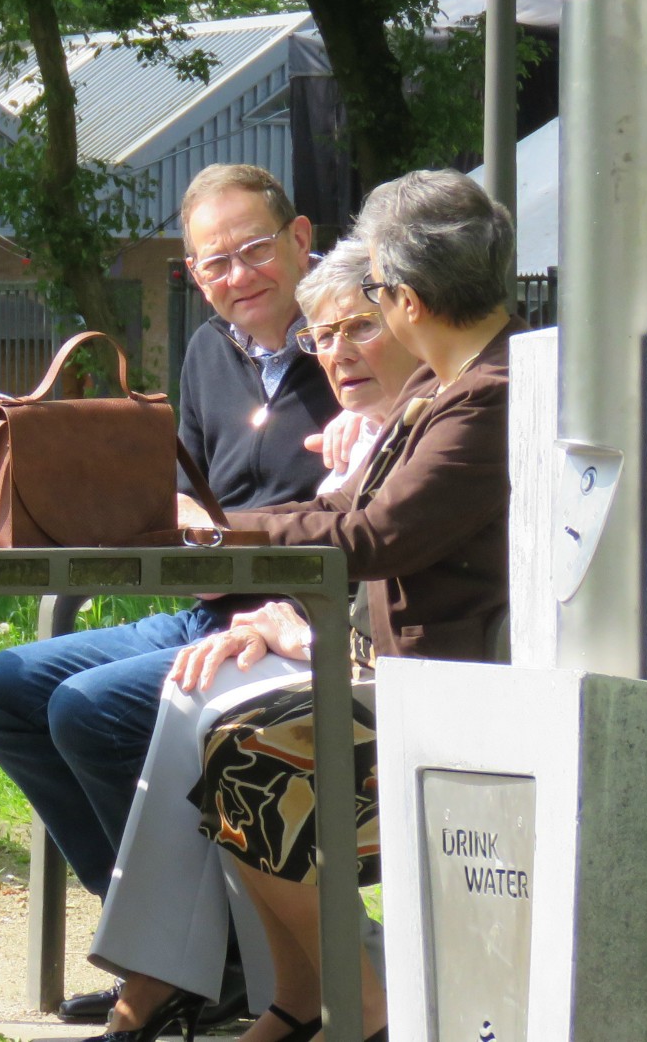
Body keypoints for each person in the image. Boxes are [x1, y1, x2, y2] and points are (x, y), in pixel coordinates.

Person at [0, 164, 339, 1029]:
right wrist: (173, 514)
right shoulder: (210, 352)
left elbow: (364, 514)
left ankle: (181, 962)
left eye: (254, 250)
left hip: (291, 627)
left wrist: (230, 537)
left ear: (301, 238)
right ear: (194, 276)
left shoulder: (351, 345)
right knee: (2, 689)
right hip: (208, 603)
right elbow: (185, 489)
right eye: (214, 264)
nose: (238, 276)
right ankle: (178, 947)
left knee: (91, 709)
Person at [170, 169, 522, 1042]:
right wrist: (222, 532)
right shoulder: (450, 386)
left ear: (403, 298)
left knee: (248, 755)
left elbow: (373, 537)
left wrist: (224, 536)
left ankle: (356, 1011)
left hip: (461, 697)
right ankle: (307, 1000)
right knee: (231, 745)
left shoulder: (487, 394)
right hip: (407, 675)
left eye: (370, 304)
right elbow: (343, 515)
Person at [82, 241, 422, 1039]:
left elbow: (379, 551)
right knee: (187, 695)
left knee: (221, 732)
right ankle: (278, 991)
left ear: (413, 315)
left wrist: (291, 615)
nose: (337, 354)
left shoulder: (440, 412)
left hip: (411, 681)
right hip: (286, 627)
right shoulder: (358, 421)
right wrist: (287, 618)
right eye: (324, 335)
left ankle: (296, 989)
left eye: (358, 329)